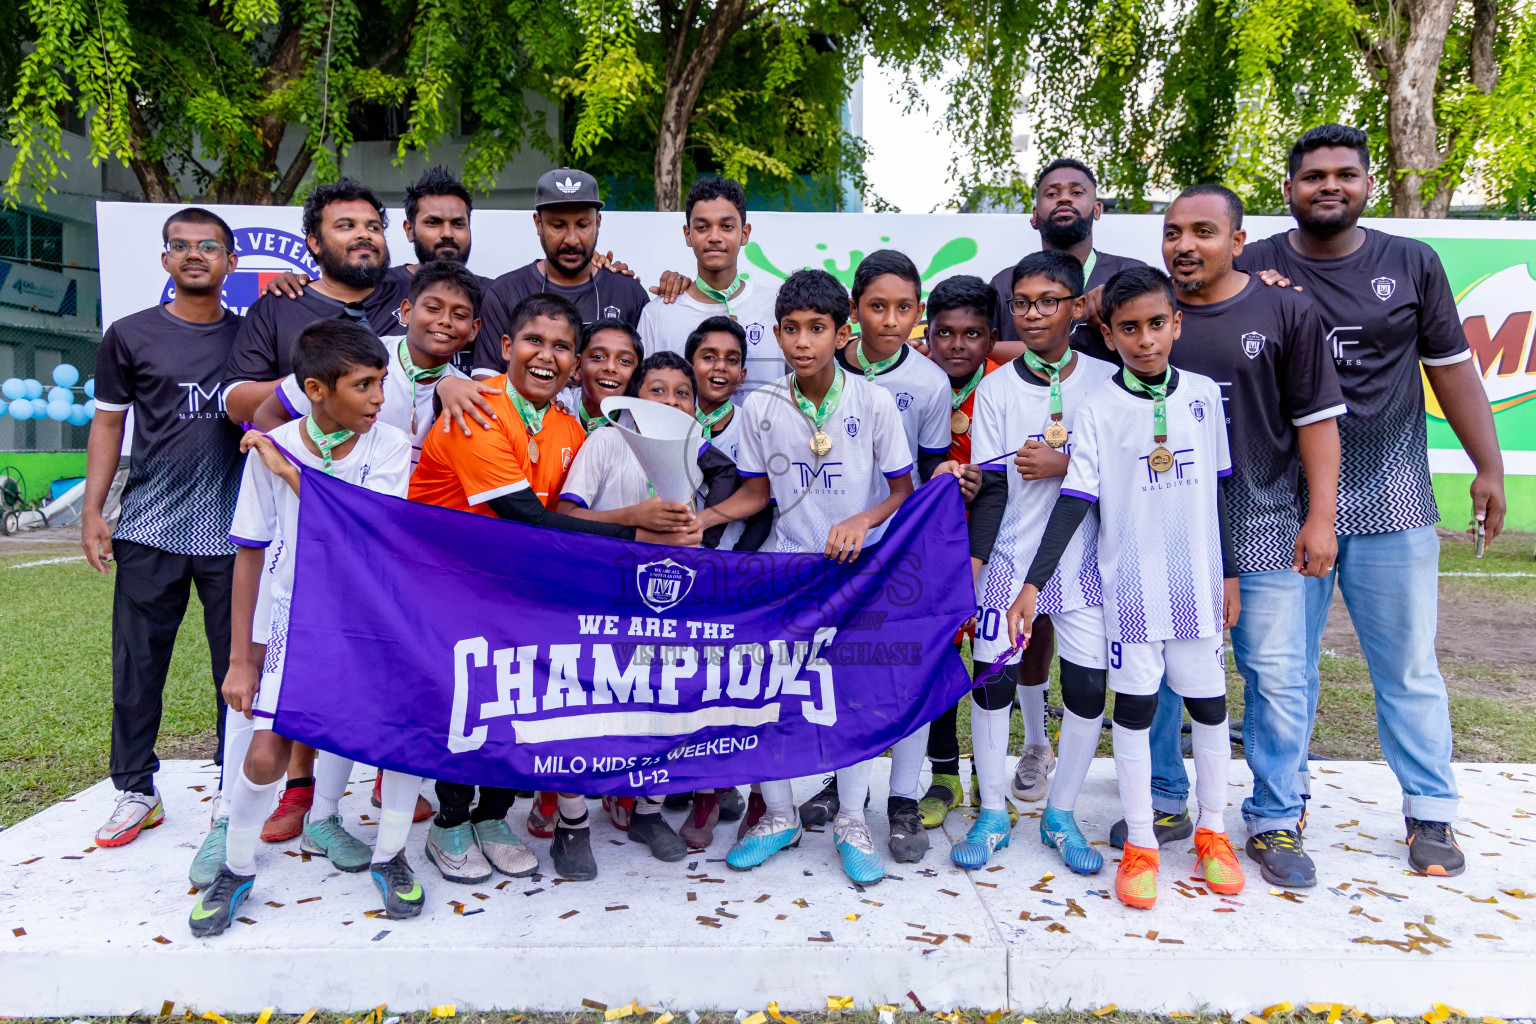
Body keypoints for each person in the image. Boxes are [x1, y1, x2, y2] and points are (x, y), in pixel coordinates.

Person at [1225, 124, 1506, 877]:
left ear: (1366, 184)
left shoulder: (1412, 262)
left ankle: (1431, 815)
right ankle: (1279, 815)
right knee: (1279, 672)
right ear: (1287, 191)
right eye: (1312, 175)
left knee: (1408, 667)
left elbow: (1451, 370)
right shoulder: (1249, 265)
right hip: (1278, 508)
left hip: (1392, 500)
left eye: (1344, 174)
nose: (1328, 186)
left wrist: (1490, 467)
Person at [409, 292, 700, 883]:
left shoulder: (568, 425)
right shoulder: (478, 409)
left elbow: (572, 519)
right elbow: (528, 518)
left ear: (574, 365)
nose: (548, 355)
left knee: (512, 705)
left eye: (562, 347)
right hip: (449, 586)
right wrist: (636, 523)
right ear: (507, 348)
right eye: (535, 342)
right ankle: (450, 824)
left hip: (516, 591)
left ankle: (493, 819)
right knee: (468, 705)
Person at [1125, 185, 1344, 889]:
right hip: (1163, 535)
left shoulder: (1284, 307)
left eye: (1204, 231)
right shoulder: (1139, 310)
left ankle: (1276, 815)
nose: (1185, 244)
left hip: (1264, 526)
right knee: (1159, 682)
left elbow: (1315, 418)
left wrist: (1321, 517)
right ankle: (1163, 800)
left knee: (1276, 677)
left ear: (1239, 241)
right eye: (1172, 232)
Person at [1007, 267, 1246, 909]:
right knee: (1135, 714)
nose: (1146, 339)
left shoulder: (1200, 395)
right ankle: (1140, 842)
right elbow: (1075, 500)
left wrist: (1227, 573)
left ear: (1177, 323)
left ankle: (1213, 832)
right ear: (1108, 335)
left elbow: (1221, 491)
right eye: (1130, 328)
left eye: (1157, 324)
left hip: (1196, 587)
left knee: (1210, 709)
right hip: (1132, 592)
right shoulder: (1097, 409)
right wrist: (1034, 582)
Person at [189, 321, 423, 935]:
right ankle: (235, 868)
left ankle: (392, 856)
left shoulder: (392, 445)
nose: (378, 397)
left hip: (373, 619)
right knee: (266, 753)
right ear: (316, 388)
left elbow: (363, 524)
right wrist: (242, 657)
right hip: (296, 620)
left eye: (381, 383)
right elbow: (248, 551)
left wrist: (288, 468)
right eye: (365, 385)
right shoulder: (274, 445)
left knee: (395, 740)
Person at [697, 269, 915, 884]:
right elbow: (754, 492)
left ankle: (851, 818)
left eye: (817, 329)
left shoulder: (873, 402)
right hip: (787, 566)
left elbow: (902, 490)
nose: (802, 342)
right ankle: (781, 816)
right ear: (776, 333)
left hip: (856, 569)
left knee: (847, 695)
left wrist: (861, 519)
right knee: (774, 690)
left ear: (841, 331)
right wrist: (704, 520)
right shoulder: (761, 406)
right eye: (790, 329)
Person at [84, 207, 246, 850]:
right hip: (150, 528)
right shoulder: (129, 335)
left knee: (238, 669)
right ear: (164, 260)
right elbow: (107, 423)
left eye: (210, 245)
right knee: (137, 665)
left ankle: (231, 793)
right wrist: (95, 509)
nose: (195, 254)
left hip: (237, 535)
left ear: (232, 261)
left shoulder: (253, 336)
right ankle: (135, 790)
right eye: (180, 245)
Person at [951, 252, 1116, 872]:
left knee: (1087, 688)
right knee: (991, 686)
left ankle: (1061, 813)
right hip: (1008, 566)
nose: (1035, 312)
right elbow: (992, 488)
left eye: (1050, 300)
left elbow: (1122, 475)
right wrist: (974, 569)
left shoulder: (1107, 381)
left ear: (1077, 307)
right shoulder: (995, 390)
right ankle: (993, 811)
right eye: (1022, 302)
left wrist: (1066, 461)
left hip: (1086, 568)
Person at [793, 249, 948, 863]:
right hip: (827, 552)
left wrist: (948, 486)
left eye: (904, 308)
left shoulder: (928, 383)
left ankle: (903, 802)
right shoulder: (818, 365)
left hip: (899, 551)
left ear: (918, 314)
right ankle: (838, 783)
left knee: (902, 676)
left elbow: (931, 474)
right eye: (877, 306)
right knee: (837, 679)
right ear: (852, 313)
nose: (890, 319)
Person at [915, 274, 1001, 830]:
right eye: (944, 332)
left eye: (971, 334)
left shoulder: (1003, 385)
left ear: (991, 337)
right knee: (940, 657)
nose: (956, 345)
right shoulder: (917, 382)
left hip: (995, 541)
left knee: (994, 659)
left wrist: (987, 483)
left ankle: (993, 781)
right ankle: (945, 774)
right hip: (928, 547)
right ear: (929, 332)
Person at [258, 167, 490, 371]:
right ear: (409, 230)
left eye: (458, 224)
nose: (447, 233)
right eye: (433, 222)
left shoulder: (495, 294)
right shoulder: (381, 286)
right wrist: (299, 285)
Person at [225, 178, 408, 427]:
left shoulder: (415, 297)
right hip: (309, 463)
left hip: (406, 462)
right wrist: (325, 379)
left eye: (374, 227)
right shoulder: (278, 305)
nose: (364, 234)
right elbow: (237, 405)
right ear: (315, 243)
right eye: (346, 226)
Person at [470, 169, 651, 379]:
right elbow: (486, 383)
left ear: (598, 222)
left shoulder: (629, 292)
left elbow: (648, 382)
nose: (572, 239)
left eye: (583, 225)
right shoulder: (505, 292)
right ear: (538, 224)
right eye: (558, 226)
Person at [988, 159, 1146, 365]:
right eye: (1052, 194)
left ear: (1097, 210)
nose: (1064, 199)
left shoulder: (1131, 274)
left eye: (1077, 193)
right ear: (1035, 215)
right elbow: (980, 352)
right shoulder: (1003, 283)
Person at [638, 177, 784, 389]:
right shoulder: (658, 314)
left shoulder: (775, 307)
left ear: (744, 233)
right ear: (688, 235)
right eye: (702, 227)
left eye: (726, 226)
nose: (714, 237)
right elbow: (643, 396)